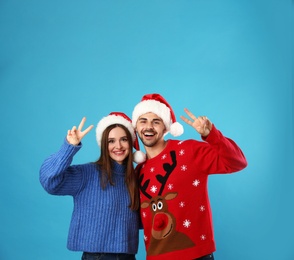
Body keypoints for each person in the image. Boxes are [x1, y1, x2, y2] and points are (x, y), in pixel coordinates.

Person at [131, 93, 248, 260]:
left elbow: (237, 162)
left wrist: (212, 135)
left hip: (196, 255)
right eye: (143, 121)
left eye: (156, 122)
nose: (149, 127)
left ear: (165, 128)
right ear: (136, 127)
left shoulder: (189, 151)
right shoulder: (138, 172)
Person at [39, 112, 145, 260]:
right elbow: (49, 181)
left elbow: (144, 218)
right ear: (103, 145)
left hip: (128, 256)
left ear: (130, 143)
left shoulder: (135, 178)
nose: (118, 146)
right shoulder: (87, 174)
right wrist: (69, 147)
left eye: (124, 139)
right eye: (111, 141)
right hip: (97, 257)